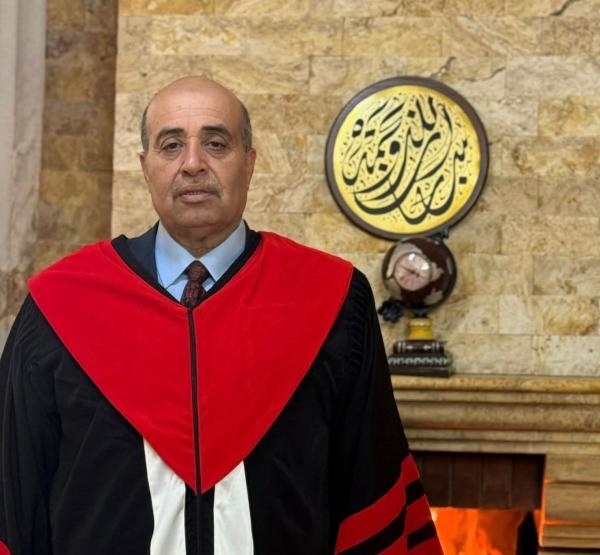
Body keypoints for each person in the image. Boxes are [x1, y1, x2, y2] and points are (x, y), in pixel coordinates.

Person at [0, 76, 443, 555]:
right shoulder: (63, 305)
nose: (193, 164)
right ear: (145, 167)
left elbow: (369, 486)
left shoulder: (331, 300)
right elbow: (15, 494)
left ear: (248, 164)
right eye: (172, 145)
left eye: (216, 143)